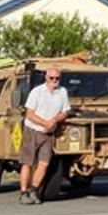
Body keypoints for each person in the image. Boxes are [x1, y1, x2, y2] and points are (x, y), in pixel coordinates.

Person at [17, 67, 70, 205]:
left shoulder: (62, 92)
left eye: (57, 78)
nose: (54, 80)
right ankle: (23, 192)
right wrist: (44, 123)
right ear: (46, 78)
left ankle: (34, 190)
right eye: (51, 78)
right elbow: (29, 113)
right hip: (33, 130)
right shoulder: (37, 92)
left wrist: (54, 121)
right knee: (27, 162)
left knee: (44, 163)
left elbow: (65, 112)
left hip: (49, 133)